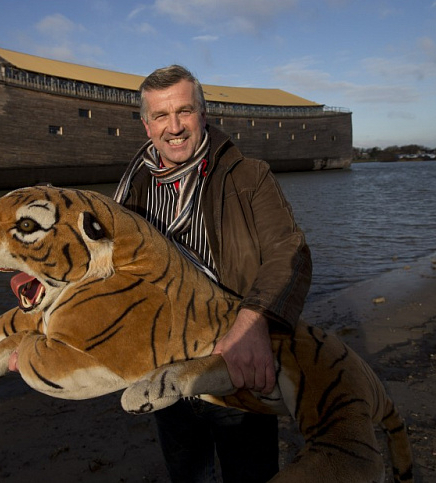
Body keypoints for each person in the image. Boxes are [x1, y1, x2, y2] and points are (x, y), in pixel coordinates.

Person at [113, 65, 312, 483]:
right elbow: (106, 267)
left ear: (203, 113)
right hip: (165, 365)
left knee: (251, 473)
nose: (175, 127)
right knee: (188, 475)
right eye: (161, 116)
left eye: (184, 111)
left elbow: (288, 252)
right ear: (146, 125)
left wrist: (253, 322)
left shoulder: (248, 176)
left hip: (233, 360)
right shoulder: (133, 191)